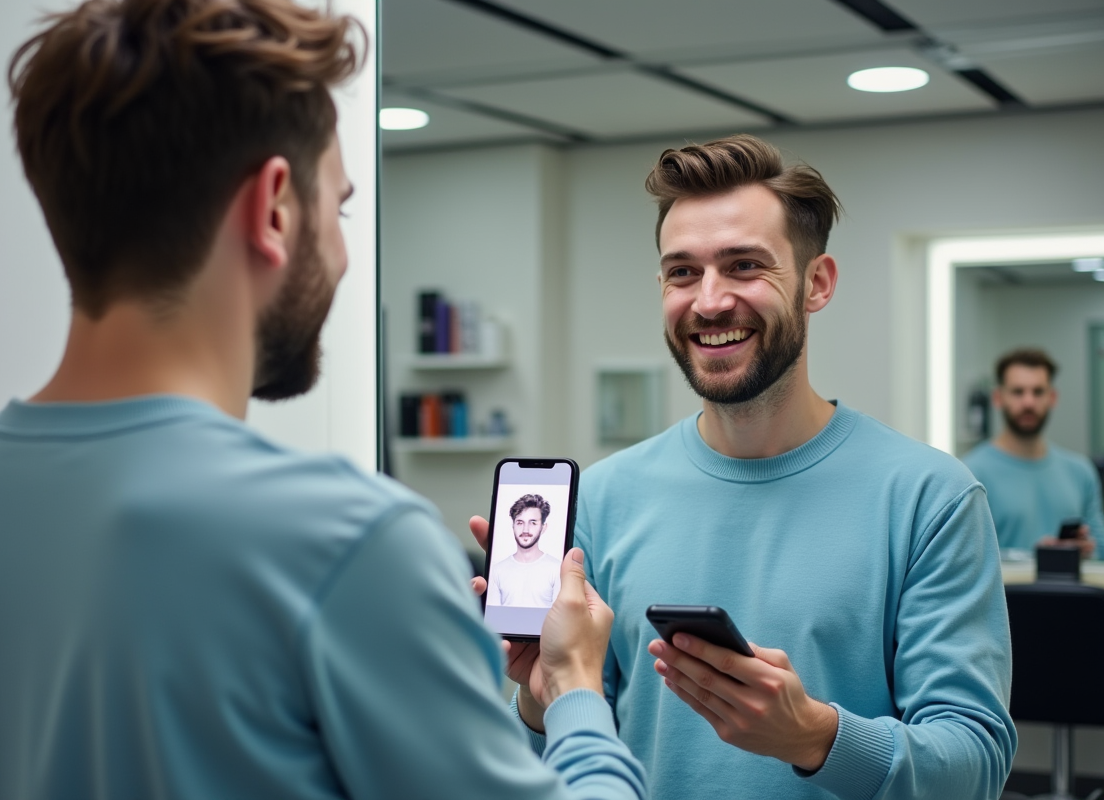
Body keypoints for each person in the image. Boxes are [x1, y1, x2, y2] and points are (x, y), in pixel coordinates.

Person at [0, 2, 647, 799]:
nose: (342, 249)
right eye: (342, 207)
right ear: (274, 209)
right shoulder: (344, 542)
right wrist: (574, 692)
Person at [473, 134, 1016, 799]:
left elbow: (977, 767)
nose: (708, 301)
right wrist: (540, 700)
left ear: (816, 284)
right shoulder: (605, 497)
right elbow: (562, 766)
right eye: (682, 272)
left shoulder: (930, 497)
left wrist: (815, 736)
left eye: (743, 266)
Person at [963, 348, 1104, 559]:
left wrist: (1084, 551)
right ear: (998, 398)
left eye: (1038, 392)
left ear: (1052, 397)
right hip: (1007, 593)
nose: (1028, 402)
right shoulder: (970, 473)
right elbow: (965, 556)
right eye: (1018, 392)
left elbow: (1100, 552)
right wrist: (1037, 558)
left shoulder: (1081, 472)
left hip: (1073, 592)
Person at [488, 493, 562, 607]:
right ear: (513, 526)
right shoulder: (497, 570)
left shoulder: (557, 569)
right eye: (520, 522)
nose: (525, 529)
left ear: (543, 527)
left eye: (533, 523)